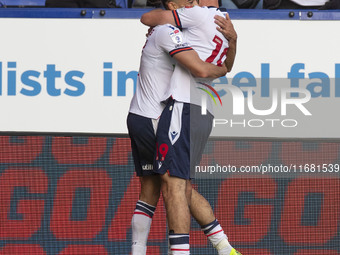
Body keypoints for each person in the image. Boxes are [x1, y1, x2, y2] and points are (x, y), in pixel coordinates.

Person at [140, 0, 240, 254]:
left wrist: (165, 20)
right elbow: (227, 68)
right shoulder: (225, 21)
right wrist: (234, 43)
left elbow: (147, 18)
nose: (192, 0)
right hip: (205, 109)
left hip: (184, 105)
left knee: (172, 185)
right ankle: (224, 247)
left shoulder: (195, 14)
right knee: (182, 184)